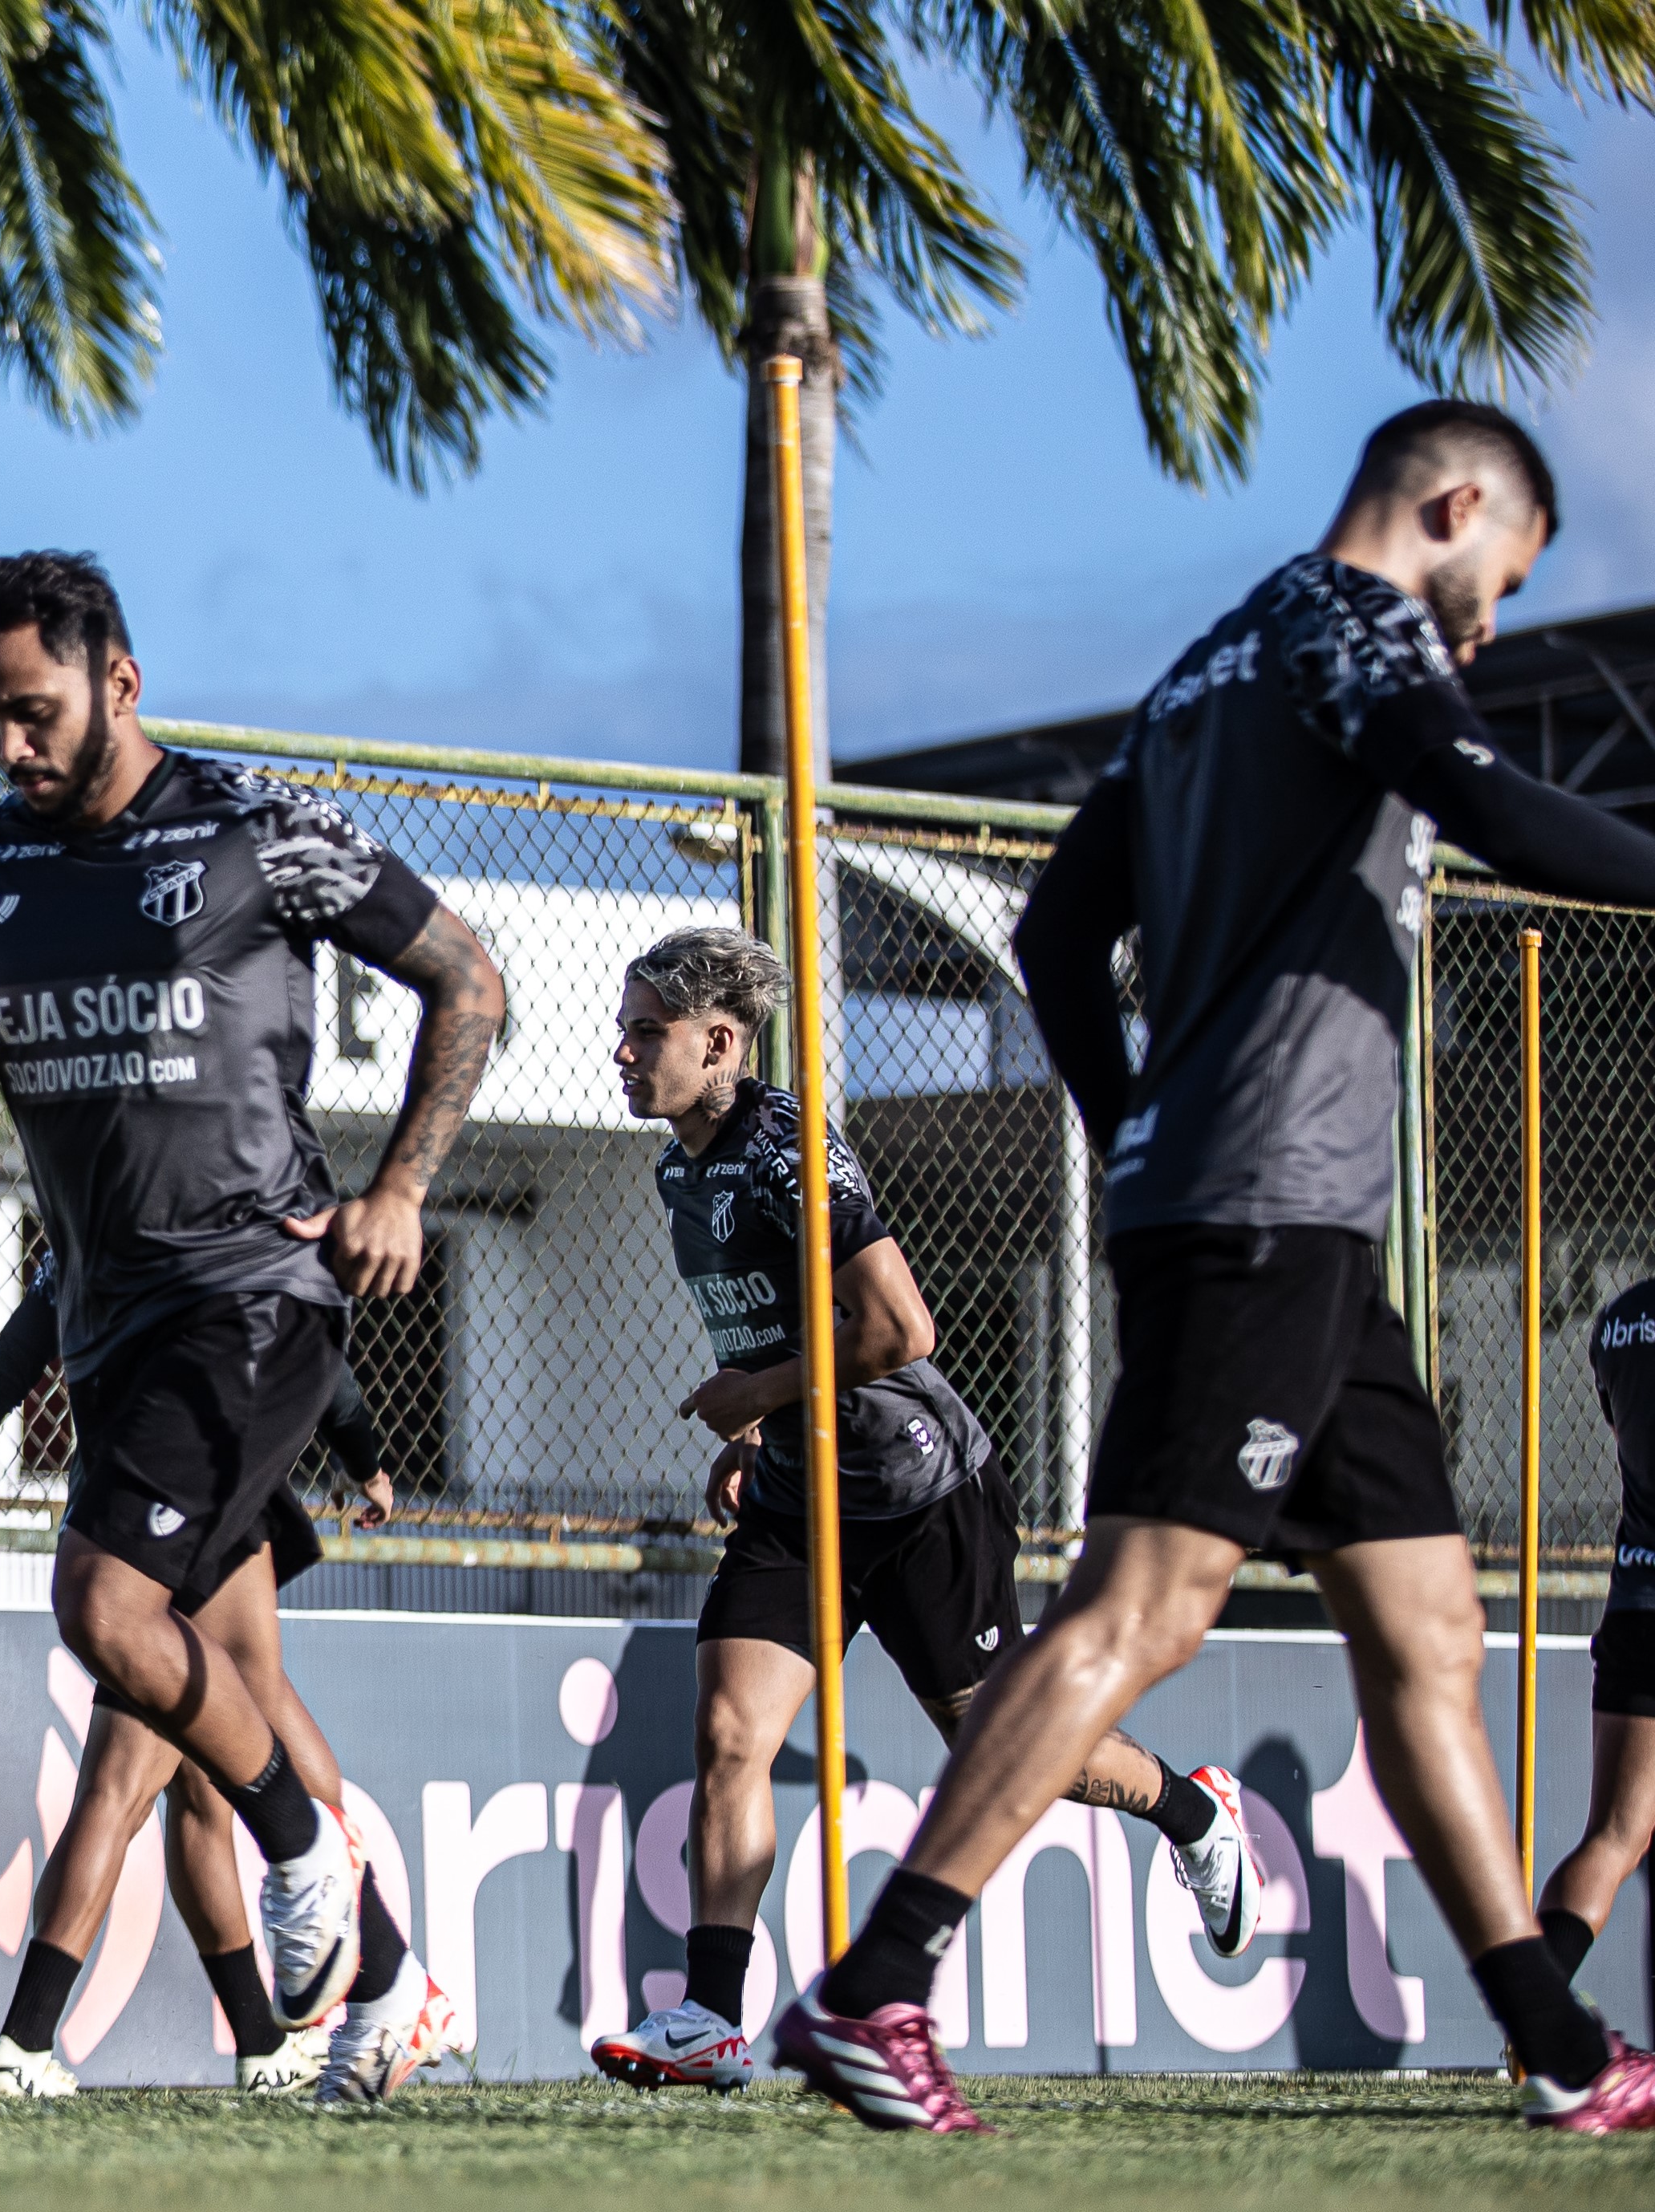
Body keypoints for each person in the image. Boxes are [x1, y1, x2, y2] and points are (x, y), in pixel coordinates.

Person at [774, 401, 1655, 2133]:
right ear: (1456, 505)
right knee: (1145, 1607)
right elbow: (1498, 812)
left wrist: (1129, 1128)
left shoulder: (1209, 664)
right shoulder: (1354, 627)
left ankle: (1559, 2047)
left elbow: (1052, 926)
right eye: (1501, 584)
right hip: (1262, 1207)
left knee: (1428, 1626)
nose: (1481, 631)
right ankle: (874, 1988)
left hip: (1294, 1222)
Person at [0, 550, 505, 2103]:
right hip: (113, 1332)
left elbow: (470, 979)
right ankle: (386, 1976)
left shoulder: (266, 831)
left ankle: (303, 1863)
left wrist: (402, 1185)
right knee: (228, 1663)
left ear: (120, 678)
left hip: (251, 1296)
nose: (6, 746)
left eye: (33, 711)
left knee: (110, 1614)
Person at [589, 926, 1255, 2092]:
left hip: (915, 1487)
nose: (623, 1050)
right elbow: (767, 1320)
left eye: (646, 1031)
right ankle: (706, 2017)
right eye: (626, 1027)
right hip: (801, 1490)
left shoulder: (788, 1150)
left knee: (997, 1743)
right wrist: (755, 1430)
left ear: (718, 1041)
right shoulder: (673, 1169)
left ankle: (1189, 1812)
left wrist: (754, 1391)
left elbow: (898, 1329)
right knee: (728, 1734)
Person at [0, 1258, 396, 2094]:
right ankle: (391, 1985)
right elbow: (303, 1338)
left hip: (116, 1519)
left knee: (198, 1796)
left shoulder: (77, 1239)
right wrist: (363, 1454)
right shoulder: (194, 1208)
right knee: (219, 1732)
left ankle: (258, 2044)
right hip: (194, 1512)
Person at [1535, 1276, 1655, 1986]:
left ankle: (1537, 2017)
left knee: (1614, 1835)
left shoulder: (1619, 1320)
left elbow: (1620, 1422)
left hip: (1638, 1604)